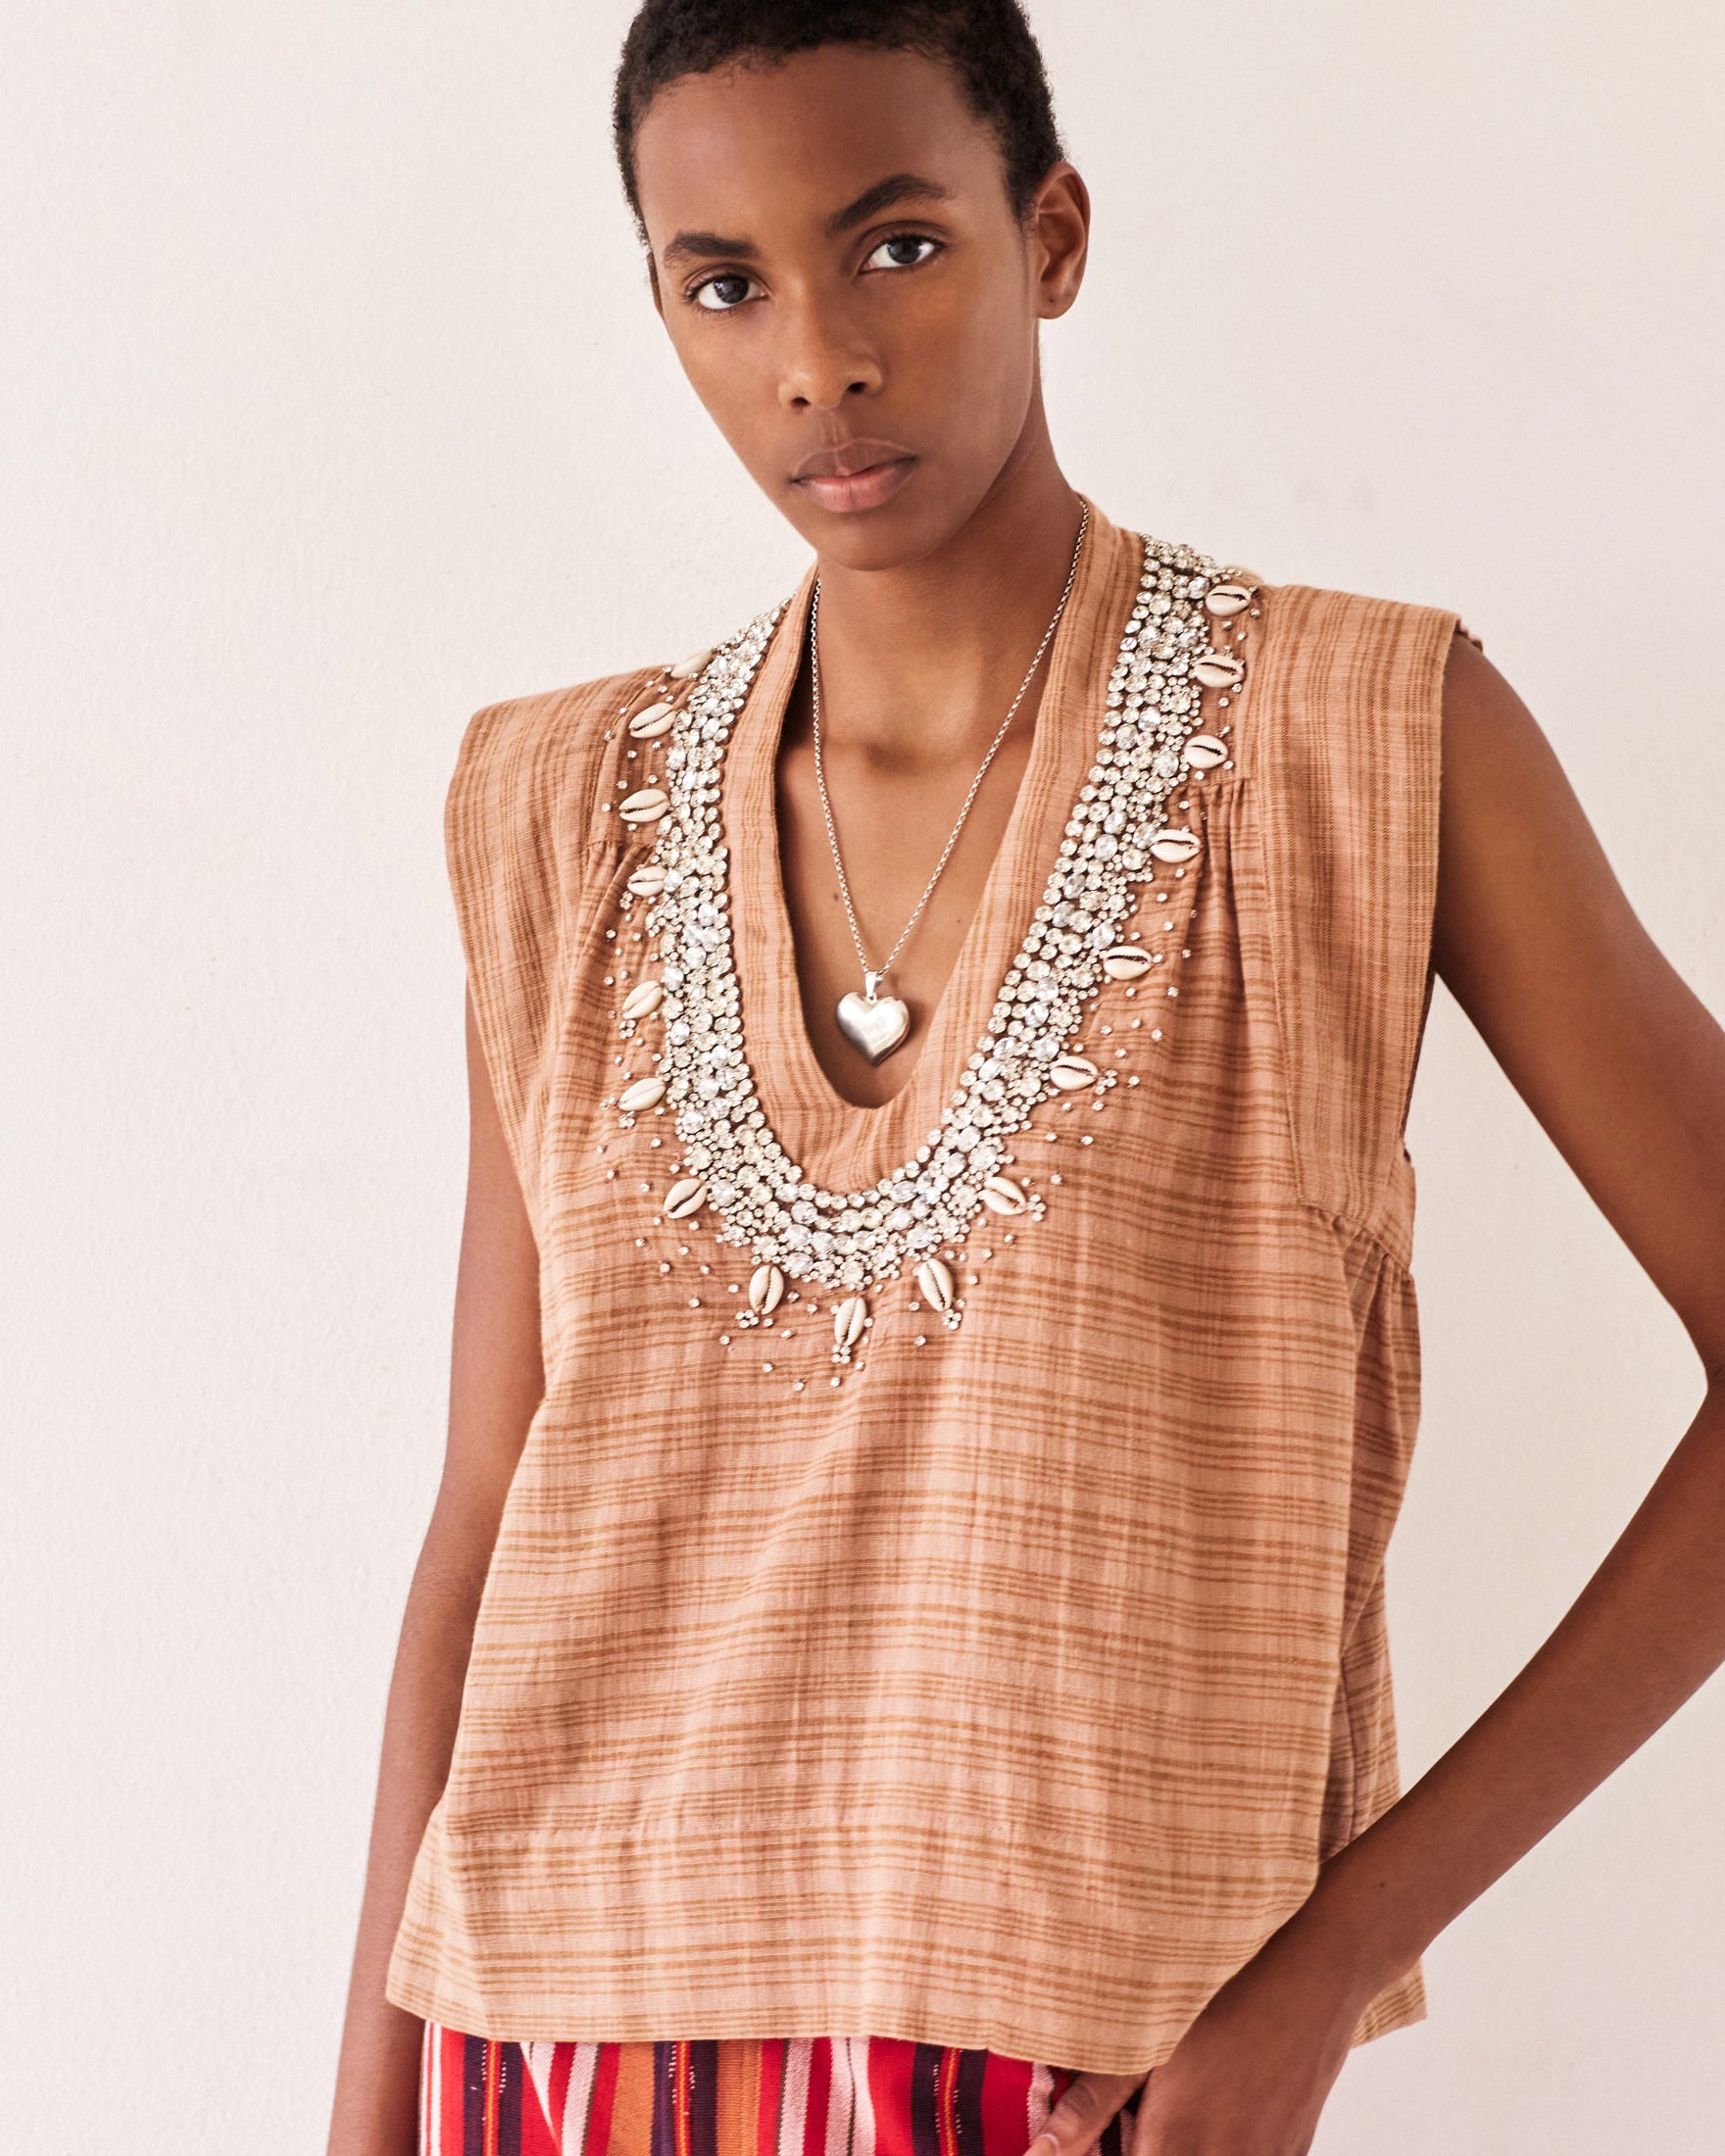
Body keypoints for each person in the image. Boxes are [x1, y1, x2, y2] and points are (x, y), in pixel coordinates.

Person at [325, 5, 1725, 2153]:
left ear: (1048, 233)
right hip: (556, 2052)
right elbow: (484, 1520)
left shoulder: (1368, 738)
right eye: (726, 284)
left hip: (1086, 2081)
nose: (815, 358)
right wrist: (363, 2111)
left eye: (893, 245)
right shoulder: (552, 813)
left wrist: (1323, 1966)